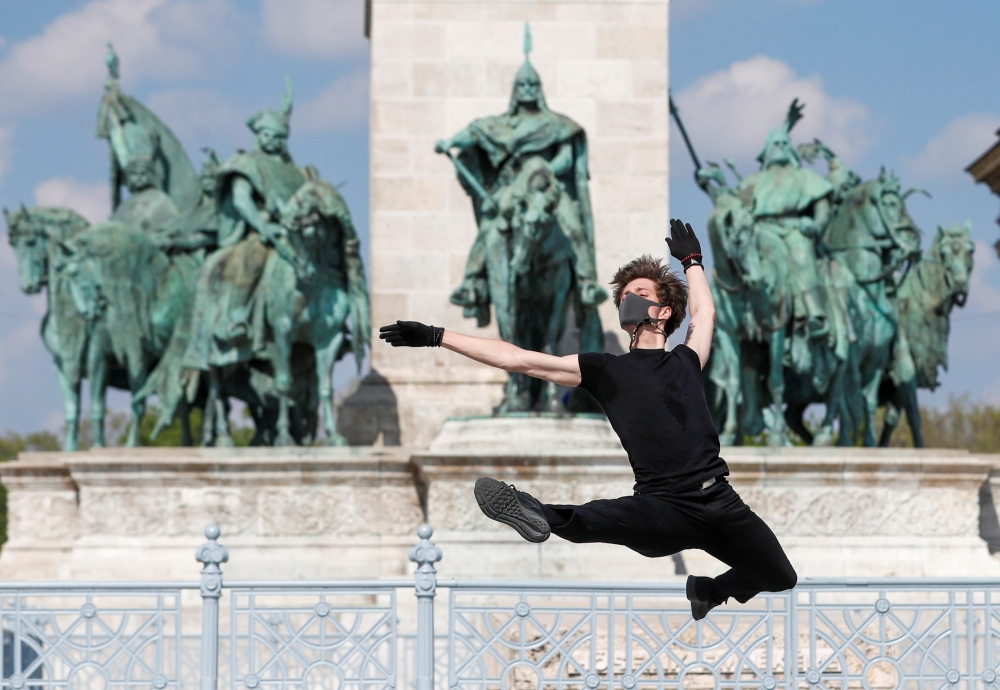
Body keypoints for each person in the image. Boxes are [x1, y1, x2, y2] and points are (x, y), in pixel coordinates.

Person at [379, 219, 797, 620]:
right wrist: (437, 335)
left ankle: (708, 591)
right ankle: (531, 510)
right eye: (624, 295)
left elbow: (704, 315)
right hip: (662, 506)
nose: (626, 298)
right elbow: (518, 358)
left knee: (781, 576)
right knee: (592, 520)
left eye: (638, 291)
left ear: (664, 311)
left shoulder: (686, 360)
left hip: (721, 502)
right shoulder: (604, 369)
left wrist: (693, 263)